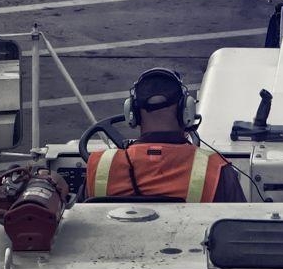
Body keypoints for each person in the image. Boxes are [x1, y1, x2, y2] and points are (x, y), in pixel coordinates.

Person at [84, 67, 245, 203]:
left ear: (132, 114)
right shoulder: (216, 169)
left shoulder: (99, 167)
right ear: (186, 111)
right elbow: (238, 232)